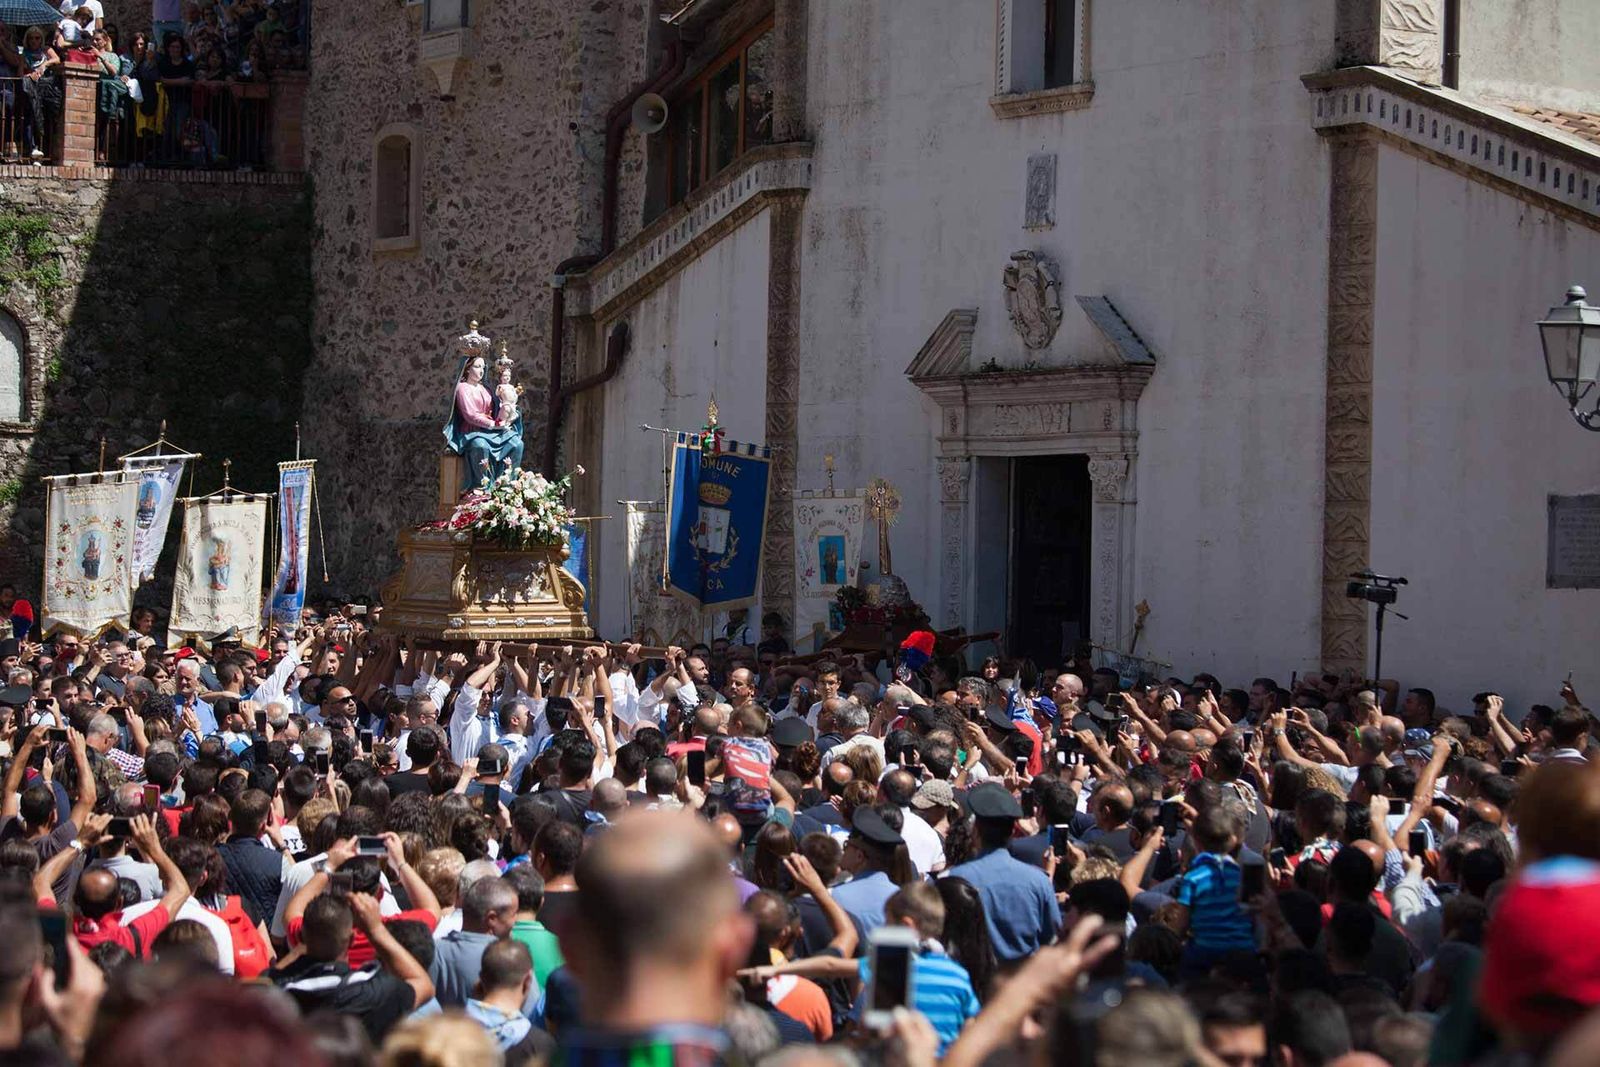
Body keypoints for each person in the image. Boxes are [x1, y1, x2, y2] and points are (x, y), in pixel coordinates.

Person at [268, 891, 436, 1042]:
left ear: (303, 935)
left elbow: (291, 915)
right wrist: (375, 929)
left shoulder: (274, 991)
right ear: (351, 940)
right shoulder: (369, 991)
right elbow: (423, 984)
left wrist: (325, 870)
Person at [941, 783, 1061, 962]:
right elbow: (1052, 940)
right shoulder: (1039, 881)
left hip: (972, 983)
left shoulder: (952, 880)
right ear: (1013, 830)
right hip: (1020, 984)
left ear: (975, 830)